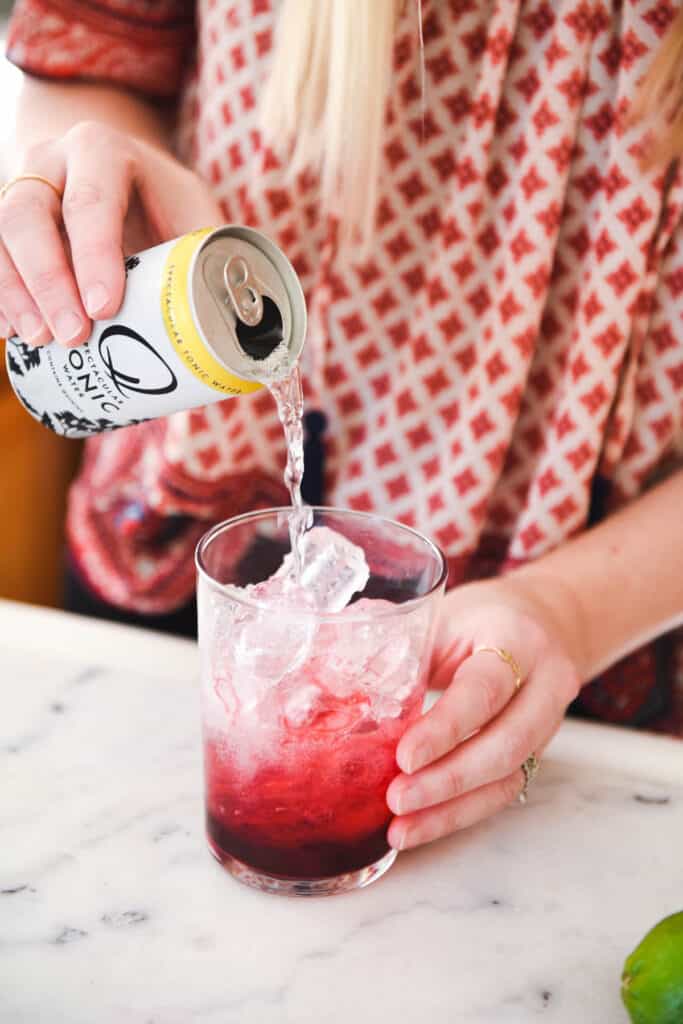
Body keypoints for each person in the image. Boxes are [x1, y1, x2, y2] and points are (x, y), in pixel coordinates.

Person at [1, 0, 682, 852]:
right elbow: (94, 48)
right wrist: (88, 169)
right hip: (174, 549)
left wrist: (567, 609)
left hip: (583, 632)